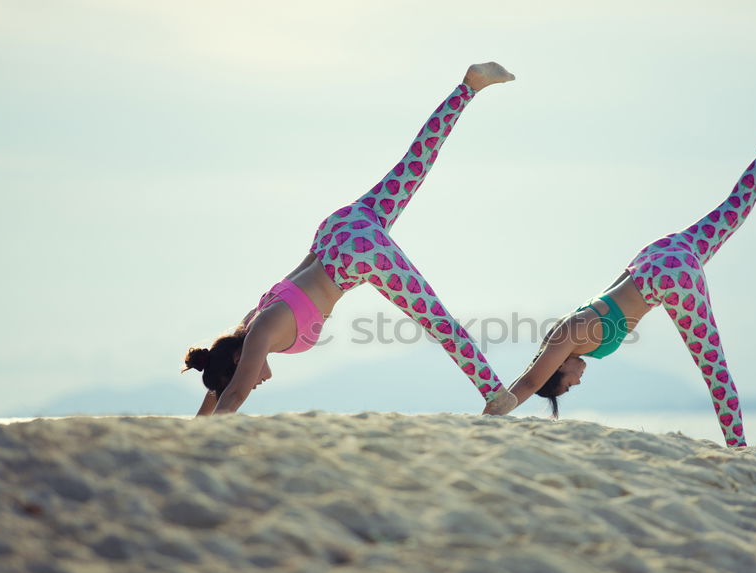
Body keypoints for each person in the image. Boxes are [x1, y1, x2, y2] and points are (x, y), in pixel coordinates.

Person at [486, 108, 756, 447]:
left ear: (557, 369)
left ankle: (739, 448)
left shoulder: (567, 336)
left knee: (715, 368)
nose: (576, 383)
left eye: (566, 385)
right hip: (656, 255)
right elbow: (617, 284)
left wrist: (495, 411)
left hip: (668, 280)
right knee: (734, 210)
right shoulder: (574, 325)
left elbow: (532, 380)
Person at [185, 63, 519, 416]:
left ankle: (497, 395)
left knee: (435, 318)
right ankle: (468, 87)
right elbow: (224, 387)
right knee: (413, 165)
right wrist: (198, 423)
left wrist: (206, 440)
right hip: (337, 230)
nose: (255, 381)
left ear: (238, 358)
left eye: (245, 374)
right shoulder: (251, 320)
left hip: (354, 255)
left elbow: (234, 394)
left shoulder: (258, 336)